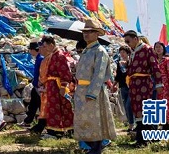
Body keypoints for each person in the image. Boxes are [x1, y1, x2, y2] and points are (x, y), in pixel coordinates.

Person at [74, 18, 117, 154]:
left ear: (97, 34)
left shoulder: (100, 51)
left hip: (93, 92)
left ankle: (96, 148)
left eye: (90, 31)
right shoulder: (86, 51)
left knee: (95, 120)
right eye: (85, 32)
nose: (86, 34)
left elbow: (99, 74)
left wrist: (91, 92)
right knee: (84, 119)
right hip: (81, 90)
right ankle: (91, 146)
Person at [123, 30, 162, 147]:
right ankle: (140, 139)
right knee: (137, 111)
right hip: (134, 85)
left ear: (135, 39)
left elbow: (155, 66)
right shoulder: (133, 51)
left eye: (128, 41)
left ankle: (144, 140)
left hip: (144, 84)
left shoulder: (147, 49)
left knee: (145, 111)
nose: (127, 44)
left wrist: (159, 83)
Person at [37, 35, 74, 138]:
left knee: (59, 108)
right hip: (51, 86)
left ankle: (56, 131)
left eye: (45, 46)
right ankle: (56, 130)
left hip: (57, 86)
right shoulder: (53, 55)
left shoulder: (60, 55)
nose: (44, 48)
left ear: (51, 45)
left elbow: (65, 73)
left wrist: (63, 87)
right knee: (54, 108)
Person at [154, 41, 169, 129]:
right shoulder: (153, 60)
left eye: (160, 47)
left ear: (163, 48)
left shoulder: (168, 60)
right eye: (156, 47)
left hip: (166, 86)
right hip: (156, 86)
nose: (158, 49)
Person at [21, 41, 43, 127]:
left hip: (39, 86)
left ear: (34, 50)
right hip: (36, 85)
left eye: (30, 50)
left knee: (39, 105)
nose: (29, 52)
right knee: (33, 104)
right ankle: (28, 121)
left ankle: (42, 124)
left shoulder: (40, 59)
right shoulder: (38, 58)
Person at [114, 45, 134, 131]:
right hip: (123, 87)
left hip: (131, 86)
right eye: (120, 52)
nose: (122, 54)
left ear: (128, 53)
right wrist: (113, 85)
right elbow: (118, 76)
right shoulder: (119, 63)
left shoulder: (132, 62)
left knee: (129, 105)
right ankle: (130, 124)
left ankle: (134, 123)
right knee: (125, 106)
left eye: (123, 52)